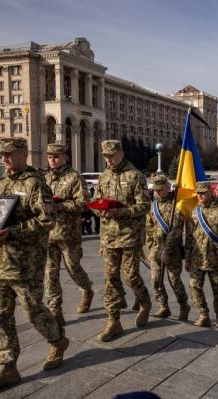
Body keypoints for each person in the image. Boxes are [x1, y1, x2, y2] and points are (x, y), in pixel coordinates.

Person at [0, 137, 68, 395]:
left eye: (9, 154)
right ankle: (7, 368)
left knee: (34, 311)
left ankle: (58, 340)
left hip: (25, 265)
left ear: (24, 153)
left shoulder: (35, 184)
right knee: (0, 318)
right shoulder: (0, 185)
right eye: (1, 154)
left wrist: (12, 231)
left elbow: (48, 220)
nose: (3, 158)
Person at [92, 140, 152, 341]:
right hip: (109, 236)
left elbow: (144, 206)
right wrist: (100, 211)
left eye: (112, 155)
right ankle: (113, 321)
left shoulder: (135, 176)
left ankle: (144, 300)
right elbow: (96, 202)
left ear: (121, 153)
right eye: (105, 156)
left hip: (130, 236)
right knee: (110, 278)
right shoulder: (104, 176)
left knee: (130, 276)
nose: (109, 159)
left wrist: (121, 211)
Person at [44, 143, 94, 326]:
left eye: (56, 157)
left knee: (73, 268)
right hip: (49, 233)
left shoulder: (74, 177)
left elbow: (83, 204)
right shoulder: (45, 178)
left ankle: (87, 290)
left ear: (65, 157)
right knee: (50, 273)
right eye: (50, 157)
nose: (52, 160)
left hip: (69, 235)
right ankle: (55, 309)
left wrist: (58, 205)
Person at [185, 181, 218, 329]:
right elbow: (189, 237)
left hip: (216, 260)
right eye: (198, 193)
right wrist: (187, 258)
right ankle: (203, 314)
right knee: (194, 286)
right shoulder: (195, 211)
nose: (200, 195)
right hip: (197, 259)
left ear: (210, 193)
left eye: (203, 193)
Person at [145, 174, 190, 320]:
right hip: (156, 251)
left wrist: (166, 251)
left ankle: (184, 305)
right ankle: (163, 306)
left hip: (172, 251)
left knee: (174, 280)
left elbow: (176, 231)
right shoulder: (154, 205)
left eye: (160, 189)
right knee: (155, 280)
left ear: (167, 188)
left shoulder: (175, 204)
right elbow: (149, 227)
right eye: (155, 190)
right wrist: (151, 246)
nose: (157, 192)